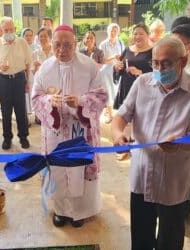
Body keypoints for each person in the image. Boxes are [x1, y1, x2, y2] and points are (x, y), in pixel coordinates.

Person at [111, 36, 190, 250]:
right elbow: (121, 115)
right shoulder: (143, 83)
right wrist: (118, 134)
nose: (159, 68)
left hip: (173, 180)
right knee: (140, 236)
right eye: (155, 63)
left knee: (170, 239)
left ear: (183, 62)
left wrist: (180, 143)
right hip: (142, 174)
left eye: (166, 63)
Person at [32, 24, 107, 228]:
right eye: (57, 45)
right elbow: (36, 97)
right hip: (55, 131)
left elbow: (101, 95)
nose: (61, 50)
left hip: (80, 130)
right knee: (57, 170)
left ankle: (80, 212)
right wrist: (49, 102)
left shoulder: (89, 66)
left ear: (75, 44)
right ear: (50, 43)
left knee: (79, 169)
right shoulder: (44, 69)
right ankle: (61, 211)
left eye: (67, 45)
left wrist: (80, 102)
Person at [0, 17, 32, 150]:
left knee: (21, 110)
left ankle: (23, 137)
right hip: (4, 80)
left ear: (15, 29)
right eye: (6, 30)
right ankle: (7, 138)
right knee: (6, 111)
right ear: (1, 30)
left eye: (11, 29)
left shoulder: (22, 42)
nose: (8, 32)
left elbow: (28, 63)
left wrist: (27, 81)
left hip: (19, 79)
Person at [114, 23, 152, 109]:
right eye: (135, 34)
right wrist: (116, 67)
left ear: (148, 35)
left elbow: (158, 74)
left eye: (141, 34)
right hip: (125, 89)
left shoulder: (153, 51)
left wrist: (141, 73)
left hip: (143, 91)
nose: (137, 36)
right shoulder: (127, 49)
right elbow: (119, 70)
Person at [99, 23, 124, 123]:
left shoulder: (121, 43)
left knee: (117, 92)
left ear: (118, 32)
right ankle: (110, 115)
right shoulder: (103, 44)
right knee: (108, 92)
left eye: (115, 31)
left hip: (118, 70)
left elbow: (123, 56)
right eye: (111, 30)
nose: (113, 33)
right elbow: (102, 60)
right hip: (106, 71)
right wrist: (113, 57)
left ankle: (118, 115)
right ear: (108, 31)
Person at [31, 27, 54, 125]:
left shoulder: (55, 52)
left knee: (52, 102)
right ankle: (39, 117)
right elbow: (33, 71)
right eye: (41, 36)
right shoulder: (35, 53)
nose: (43, 38)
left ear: (50, 37)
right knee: (40, 100)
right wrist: (36, 68)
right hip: (40, 82)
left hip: (53, 81)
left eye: (45, 36)